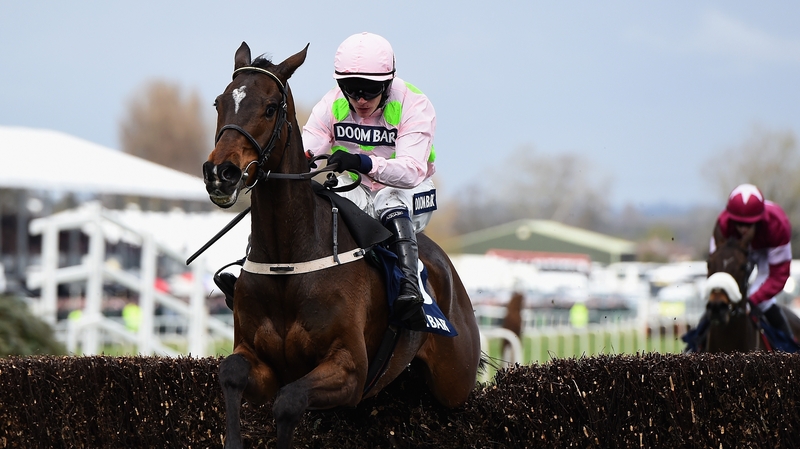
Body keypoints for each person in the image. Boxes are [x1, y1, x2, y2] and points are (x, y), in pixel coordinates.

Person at [301, 31, 437, 331]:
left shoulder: (415, 104)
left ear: (387, 84)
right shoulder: (331, 103)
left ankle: (410, 288)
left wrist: (363, 162)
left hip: (412, 189)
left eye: (370, 90)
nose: (360, 99)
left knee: (389, 199)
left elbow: (412, 170)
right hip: (359, 187)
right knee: (322, 198)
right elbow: (307, 152)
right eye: (351, 90)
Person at [708, 183, 795, 341]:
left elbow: (779, 274)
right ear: (731, 218)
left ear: (760, 218)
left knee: (763, 303)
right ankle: (694, 345)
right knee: (717, 303)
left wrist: (753, 301)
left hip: (767, 253)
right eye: (739, 223)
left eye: (749, 223)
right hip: (737, 253)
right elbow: (717, 269)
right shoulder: (724, 224)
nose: (744, 229)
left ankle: (789, 347)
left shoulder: (778, 225)